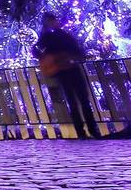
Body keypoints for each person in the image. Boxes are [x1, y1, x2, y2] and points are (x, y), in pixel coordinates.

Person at [33, 12, 102, 140]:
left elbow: (76, 49)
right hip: (64, 70)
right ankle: (84, 131)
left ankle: (90, 130)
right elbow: (35, 50)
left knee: (82, 100)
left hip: (71, 68)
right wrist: (51, 59)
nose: (53, 22)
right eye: (51, 20)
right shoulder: (48, 36)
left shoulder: (60, 34)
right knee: (75, 101)